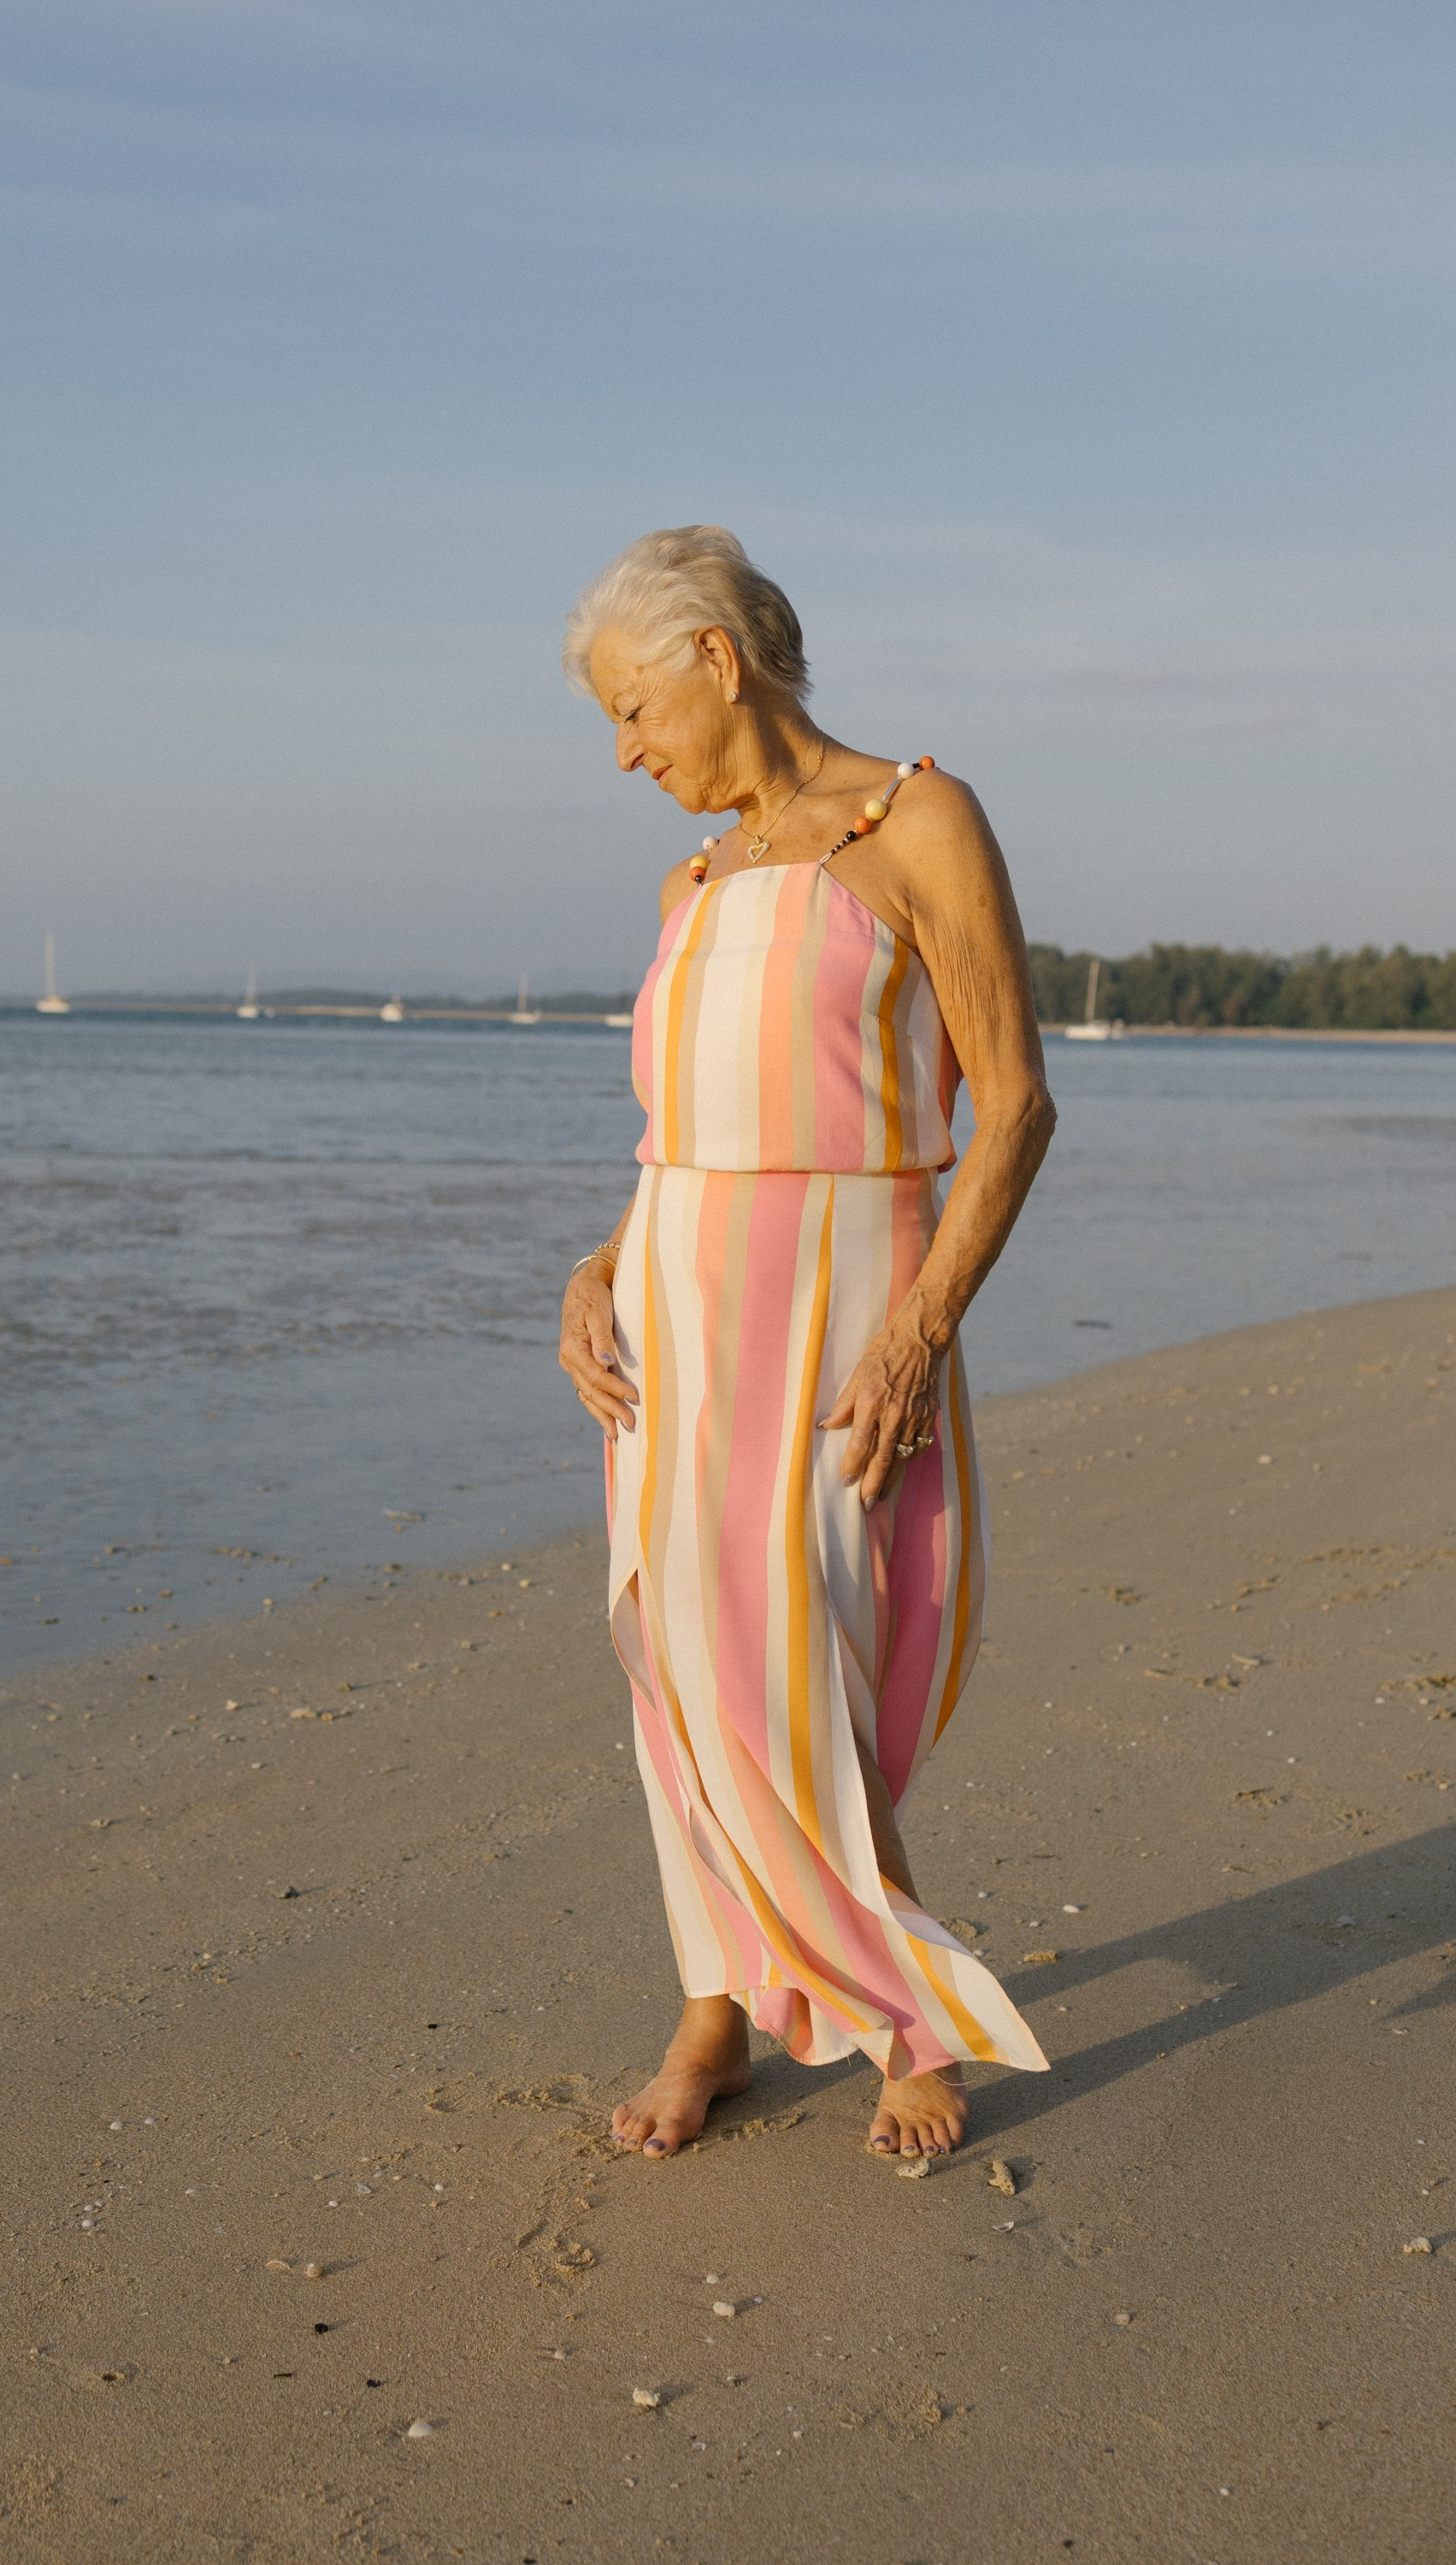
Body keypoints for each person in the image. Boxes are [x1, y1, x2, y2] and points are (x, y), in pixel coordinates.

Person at [557, 526, 1057, 2161]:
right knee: (678, 1663)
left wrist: (919, 1335)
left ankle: (901, 2011)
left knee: (799, 1663)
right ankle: (716, 2013)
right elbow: (678, 1139)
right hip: (671, 1320)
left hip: (848, 1305)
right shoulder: (691, 886)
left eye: (635, 710)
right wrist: (593, 1271)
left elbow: (1013, 1107)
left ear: (719, 658)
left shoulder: (918, 820)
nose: (626, 755)